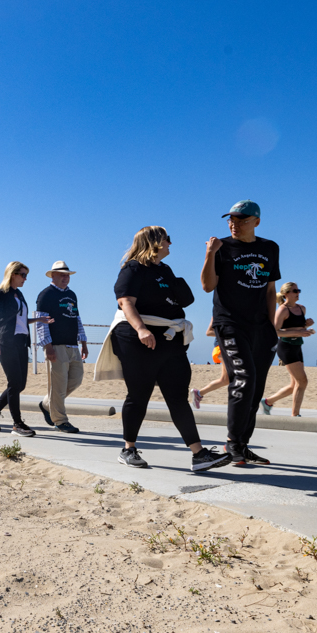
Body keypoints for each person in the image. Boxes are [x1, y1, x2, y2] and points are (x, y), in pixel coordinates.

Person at [96, 225, 233, 472]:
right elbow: (125, 302)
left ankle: (199, 455)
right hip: (138, 338)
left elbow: (184, 299)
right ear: (155, 242)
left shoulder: (165, 270)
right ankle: (128, 449)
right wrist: (141, 329)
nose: (171, 243)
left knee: (178, 397)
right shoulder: (133, 268)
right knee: (139, 396)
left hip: (170, 338)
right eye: (167, 239)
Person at [201, 200, 281, 467]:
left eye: (242, 220)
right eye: (231, 220)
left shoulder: (270, 248)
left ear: (256, 222)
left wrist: (273, 327)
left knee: (256, 389)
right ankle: (232, 443)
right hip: (230, 323)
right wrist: (210, 254)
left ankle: (243, 446)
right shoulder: (222, 247)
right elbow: (207, 286)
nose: (234, 224)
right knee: (243, 378)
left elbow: (270, 290)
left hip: (261, 327)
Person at [0, 261, 46, 437]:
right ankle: (17, 424)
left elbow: (21, 320)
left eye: (26, 275)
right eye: (23, 275)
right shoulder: (1, 294)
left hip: (21, 341)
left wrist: (37, 321)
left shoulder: (19, 294)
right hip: (6, 341)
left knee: (20, 384)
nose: (25, 279)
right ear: (13, 274)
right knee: (14, 382)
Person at [35, 261, 89, 434]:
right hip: (55, 345)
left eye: (67, 275)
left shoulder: (72, 295)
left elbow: (77, 319)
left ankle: (46, 404)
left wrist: (84, 342)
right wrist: (47, 346)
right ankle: (60, 420)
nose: (65, 277)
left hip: (73, 344)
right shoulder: (45, 295)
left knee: (76, 378)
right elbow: (41, 323)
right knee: (58, 386)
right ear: (52, 275)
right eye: (61, 274)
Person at [262, 282, 314, 416]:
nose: (298, 293)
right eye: (294, 291)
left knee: (294, 386)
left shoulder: (302, 308)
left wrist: (305, 325)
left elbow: (296, 327)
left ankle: (268, 402)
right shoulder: (282, 310)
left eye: (298, 290)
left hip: (298, 346)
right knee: (302, 381)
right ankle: (295, 415)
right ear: (285, 294)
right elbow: (275, 332)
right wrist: (299, 332)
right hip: (286, 347)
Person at [190, 325, 231, 408]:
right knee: (242, 377)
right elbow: (209, 332)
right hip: (224, 348)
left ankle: (198, 393)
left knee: (225, 380)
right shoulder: (221, 313)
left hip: (227, 348)